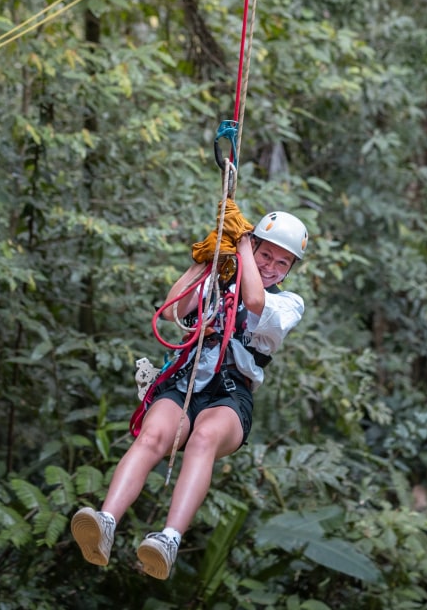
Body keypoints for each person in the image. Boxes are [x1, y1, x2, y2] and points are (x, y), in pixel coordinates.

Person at [70, 207, 308, 580]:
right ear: (256, 248)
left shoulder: (288, 304)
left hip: (229, 395)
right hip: (184, 384)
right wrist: (207, 260)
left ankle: (168, 539)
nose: (272, 267)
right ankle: (105, 522)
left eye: (283, 262)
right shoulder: (220, 279)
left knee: (204, 438)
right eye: (265, 255)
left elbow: (256, 301)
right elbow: (174, 310)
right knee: (153, 436)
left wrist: (243, 244)